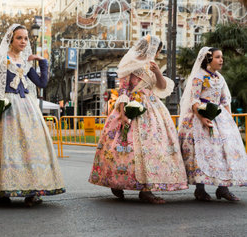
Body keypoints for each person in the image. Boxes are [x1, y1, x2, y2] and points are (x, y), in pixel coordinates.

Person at [0, 24, 65, 206]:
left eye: (26, 38)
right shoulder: (1, 60)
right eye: (19, 38)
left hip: (27, 107)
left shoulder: (26, 62)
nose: (23, 42)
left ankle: (33, 190)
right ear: (11, 39)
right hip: (8, 107)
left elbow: (42, 82)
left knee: (31, 147)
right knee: (6, 147)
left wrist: (42, 61)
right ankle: (3, 191)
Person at [88, 35, 188, 204]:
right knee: (124, 147)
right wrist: (122, 113)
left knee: (153, 147)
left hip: (152, 108)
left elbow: (162, 87)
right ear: (148, 49)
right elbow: (123, 91)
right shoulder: (130, 64)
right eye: (157, 51)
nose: (157, 54)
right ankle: (117, 182)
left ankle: (147, 189)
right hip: (133, 105)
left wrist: (157, 71)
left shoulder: (152, 65)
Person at [178, 47, 247, 201]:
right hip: (199, 117)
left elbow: (224, 100)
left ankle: (223, 188)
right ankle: (200, 189)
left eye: (221, 57)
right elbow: (193, 100)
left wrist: (230, 120)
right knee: (199, 151)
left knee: (224, 151)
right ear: (209, 60)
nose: (221, 60)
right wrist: (202, 118)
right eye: (217, 57)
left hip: (219, 117)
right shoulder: (198, 77)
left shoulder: (219, 78)